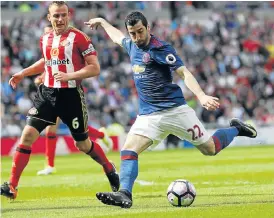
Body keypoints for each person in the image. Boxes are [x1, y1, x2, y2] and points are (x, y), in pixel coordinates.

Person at [84, 11, 257, 208]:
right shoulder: (131, 45)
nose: (137, 37)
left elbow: (184, 73)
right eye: (132, 33)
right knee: (128, 150)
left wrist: (201, 95)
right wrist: (103, 22)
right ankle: (125, 194)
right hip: (149, 115)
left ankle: (236, 128)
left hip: (175, 111)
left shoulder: (161, 48)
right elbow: (117, 37)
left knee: (210, 149)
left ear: (148, 28)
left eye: (140, 31)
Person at [1, 1, 119, 200]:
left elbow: (94, 67)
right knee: (27, 135)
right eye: (56, 16)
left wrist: (70, 76)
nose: (60, 19)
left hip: (71, 97)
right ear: (49, 17)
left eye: (63, 15)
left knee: (82, 144)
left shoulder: (80, 38)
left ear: (69, 15)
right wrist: (23, 73)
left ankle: (108, 167)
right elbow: (46, 62)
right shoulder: (45, 38)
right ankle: (12, 186)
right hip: (47, 94)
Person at [34, 25, 113, 176]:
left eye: (48, 33)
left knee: (73, 131)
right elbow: (48, 68)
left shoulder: (68, 44)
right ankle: (50, 164)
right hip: (52, 93)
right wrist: (42, 77)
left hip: (68, 92)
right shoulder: (49, 50)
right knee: (55, 128)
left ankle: (101, 138)